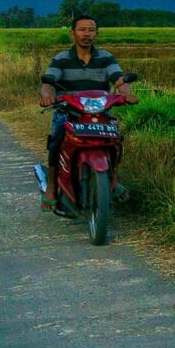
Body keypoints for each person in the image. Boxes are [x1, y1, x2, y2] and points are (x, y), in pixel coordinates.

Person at [38, 14, 129, 210]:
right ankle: (52, 187)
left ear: (96, 33)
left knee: (116, 141)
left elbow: (119, 78)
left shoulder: (105, 57)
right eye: (82, 30)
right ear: (72, 33)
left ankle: (113, 180)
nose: (87, 34)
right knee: (56, 143)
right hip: (70, 113)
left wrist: (125, 93)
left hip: (99, 114)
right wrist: (47, 95)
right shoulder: (61, 59)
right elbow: (48, 82)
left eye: (91, 30)